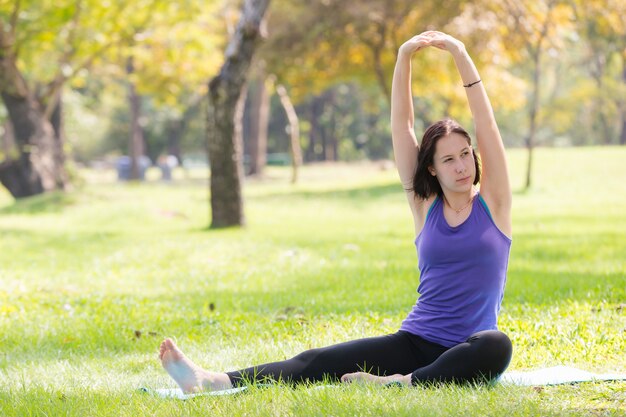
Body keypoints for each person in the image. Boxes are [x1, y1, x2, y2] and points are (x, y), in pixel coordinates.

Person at [158, 30, 513, 392]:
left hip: (469, 352)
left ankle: (398, 384)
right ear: (432, 168)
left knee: (497, 344)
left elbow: (486, 125)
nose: (461, 166)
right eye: (448, 159)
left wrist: (460, 53)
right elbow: (402, 126)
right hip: (417, 341)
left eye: (465, 154)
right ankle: (213, 381)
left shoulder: (493, 205)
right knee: (319, 360)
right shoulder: (424, 206)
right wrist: (404, 56)